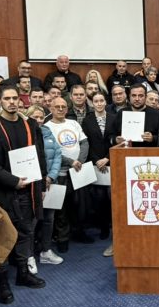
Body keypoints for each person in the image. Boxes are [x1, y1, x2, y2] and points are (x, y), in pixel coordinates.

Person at [0, 86, 48, 303]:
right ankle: (2, 281)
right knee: (1, 236)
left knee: (25, 231)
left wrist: (42, 183)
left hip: (29, 188)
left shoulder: (30, 124)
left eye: (15, 98)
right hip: (2, 191)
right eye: (7, 98)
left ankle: (23, 273)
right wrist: (12, 180)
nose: (12, 102)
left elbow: (39, 154)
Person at [45, 97, 90, 253]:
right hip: (59, 174)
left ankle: (79, 232)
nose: (60, 109)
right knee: (61, 209)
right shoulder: (46, 127)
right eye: (57, 106)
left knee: (80, 206)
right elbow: (51, 152)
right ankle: (62, 238)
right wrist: (71, 162)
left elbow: (84, 143)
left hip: (78, 171)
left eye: (63, 106)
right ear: (50, 108)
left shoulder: (73, 123)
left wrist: (79, 161)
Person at [27, 106, 63, 267]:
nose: (39, 120)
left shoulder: (48, 132)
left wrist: (51, 176)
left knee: (49, 219)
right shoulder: (24, 134)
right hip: (33, 185)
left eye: (41, 117)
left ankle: (46, 251)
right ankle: (28, 256)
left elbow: (57, 154)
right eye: (35, 117)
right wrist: (40, 180)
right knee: (32, 222)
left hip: (50, 182)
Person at [80, 93, 115, 253]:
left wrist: (107, 158)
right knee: (99, 197)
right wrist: (97, 160)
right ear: (92, 103)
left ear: (105, 102)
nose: (99, 103)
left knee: (112, 196)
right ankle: (103, 227)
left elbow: (118, 141)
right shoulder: (87, 120)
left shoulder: (114, 118)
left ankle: (113, 225)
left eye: (101, 100)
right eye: (96, 101)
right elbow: (86, 143)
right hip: (95, 163)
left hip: (112, 161)